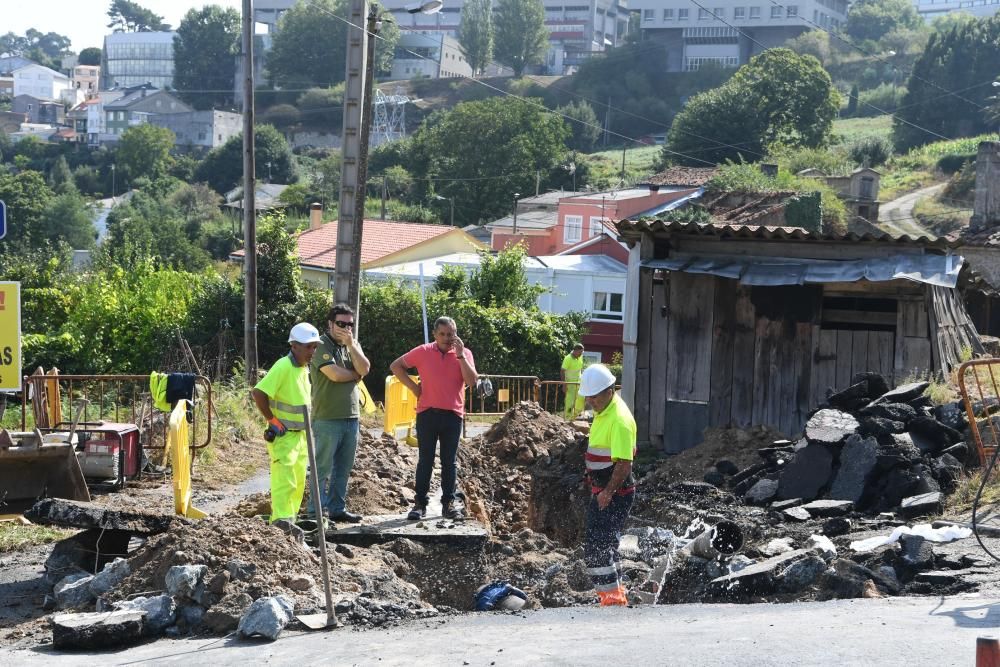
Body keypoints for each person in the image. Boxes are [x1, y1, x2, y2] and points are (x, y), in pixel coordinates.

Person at [390, 316, 478, 521]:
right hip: (427, 414)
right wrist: (413, 387)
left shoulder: (465, 354)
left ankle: (448, 504)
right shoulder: (423, 351)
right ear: (435, 335)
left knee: (449, 462)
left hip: (453, 416)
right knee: (425, 460)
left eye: (451, 334)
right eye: (443, 334)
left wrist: (460, 357)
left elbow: (472, 381)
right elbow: (396, 366)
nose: (447, 338)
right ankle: (420, 503)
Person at [251, 322, 321, 526]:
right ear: (294, 346)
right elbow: (258, 393)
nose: (312, 351)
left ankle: (290, 523)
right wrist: (271, 419)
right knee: (285, 482)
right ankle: (281, 525)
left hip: (300, 436)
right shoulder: (283, 366)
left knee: (298, 483)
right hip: (284, 436)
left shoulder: (302, 369)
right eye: (309, 347)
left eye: (315, 347)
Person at [578, 363, 635, 607]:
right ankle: (616, 595)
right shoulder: (605, 411)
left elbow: (624, 464)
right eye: (588, 396)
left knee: (597, 547)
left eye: (594, 396)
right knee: (605, 543)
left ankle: (611, 599)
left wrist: (608, 493)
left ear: (609, 391)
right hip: (604, 489)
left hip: (614, 492)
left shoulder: (619, 419)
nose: (590, 401)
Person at [308, 303, 371, 524]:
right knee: (322, 467)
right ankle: (315, 512)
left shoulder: (352, 344)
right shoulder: (319, 345)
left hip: (351, 417)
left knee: (343, 468)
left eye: (349, 324)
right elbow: (333, 374)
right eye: (340, 324)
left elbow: (365, 369)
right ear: (330, 324)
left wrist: (352, 346)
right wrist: (355, 374)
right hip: (327, 416)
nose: (345, 328)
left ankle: (337, 509)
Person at [560, 343, 585, 419]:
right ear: (575, 351)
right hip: (570, 385)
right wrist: (564, 384)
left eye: (582, 352)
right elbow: (562, 371)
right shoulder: (568, 358)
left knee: (581, 399)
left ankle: (575, 416)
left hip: (579, 383)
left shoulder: (580, 357)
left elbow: (580, 369)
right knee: (569, 403)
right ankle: (567, 418)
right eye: (580, 352)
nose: (581, 354)